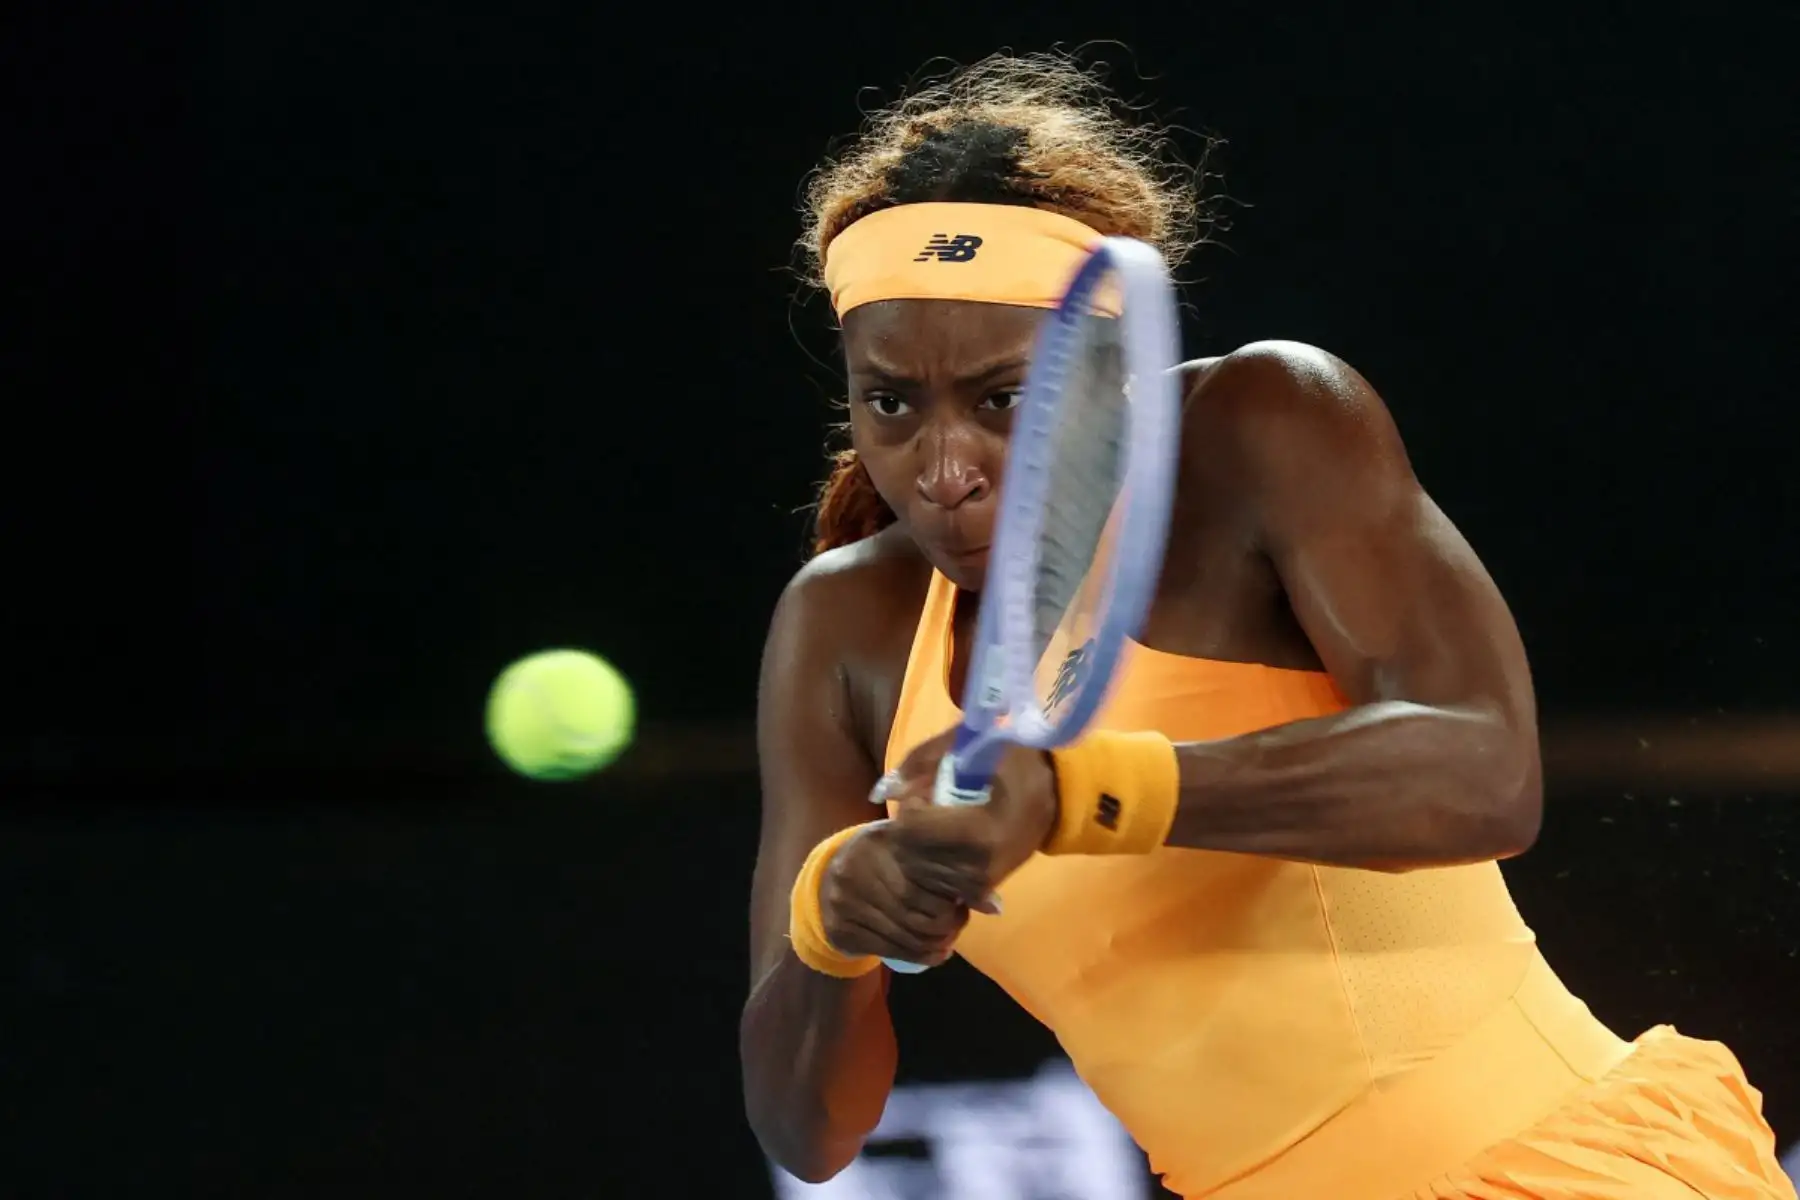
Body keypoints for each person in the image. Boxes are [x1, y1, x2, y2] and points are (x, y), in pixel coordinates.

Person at [740, 53, 1794, 1199]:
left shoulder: (1259, 427)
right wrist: (829, 925)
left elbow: (1488, 771)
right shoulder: (840, 628)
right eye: (891, 402)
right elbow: (806, 1135)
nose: (944, 469)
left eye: (1004, 399)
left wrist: (1081, 792)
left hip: (1567, 1172)